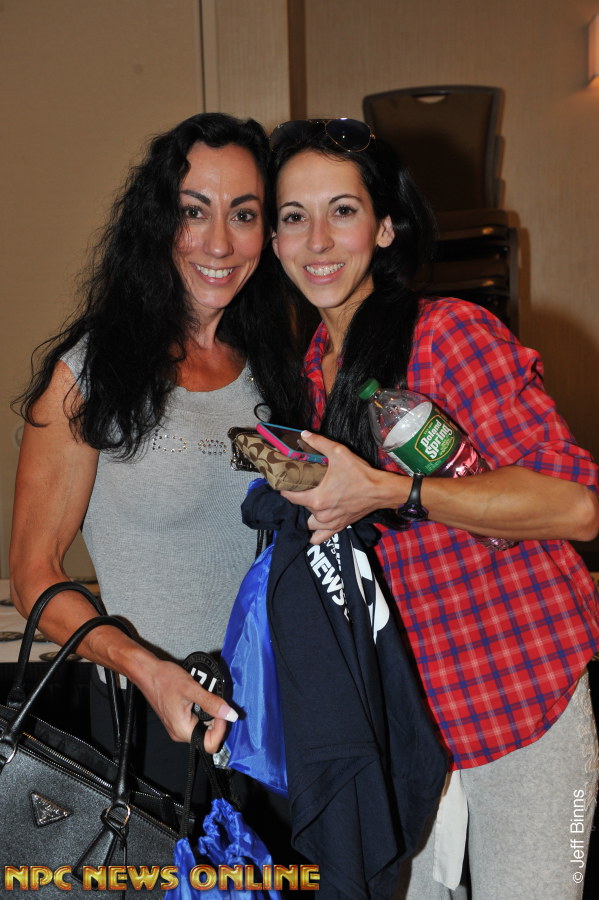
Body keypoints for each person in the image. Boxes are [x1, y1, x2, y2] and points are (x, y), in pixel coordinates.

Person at [265, 118, 599, 899]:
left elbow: (575, 507)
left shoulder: (447, 335)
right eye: (293, 216)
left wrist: (392, 490)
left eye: (342, 210)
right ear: (274, 241)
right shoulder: (304, 378)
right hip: (403, 729)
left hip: (519, 699)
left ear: (384, 228)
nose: (317, 239)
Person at [8, 112, 302, 822]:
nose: (219, 243)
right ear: (156, 222)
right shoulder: (91, 375)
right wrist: (146, 668)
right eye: (193, 212)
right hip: (152, 726)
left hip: (275, 719)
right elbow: (33, 575)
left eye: (243, 215)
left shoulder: (273, 368)